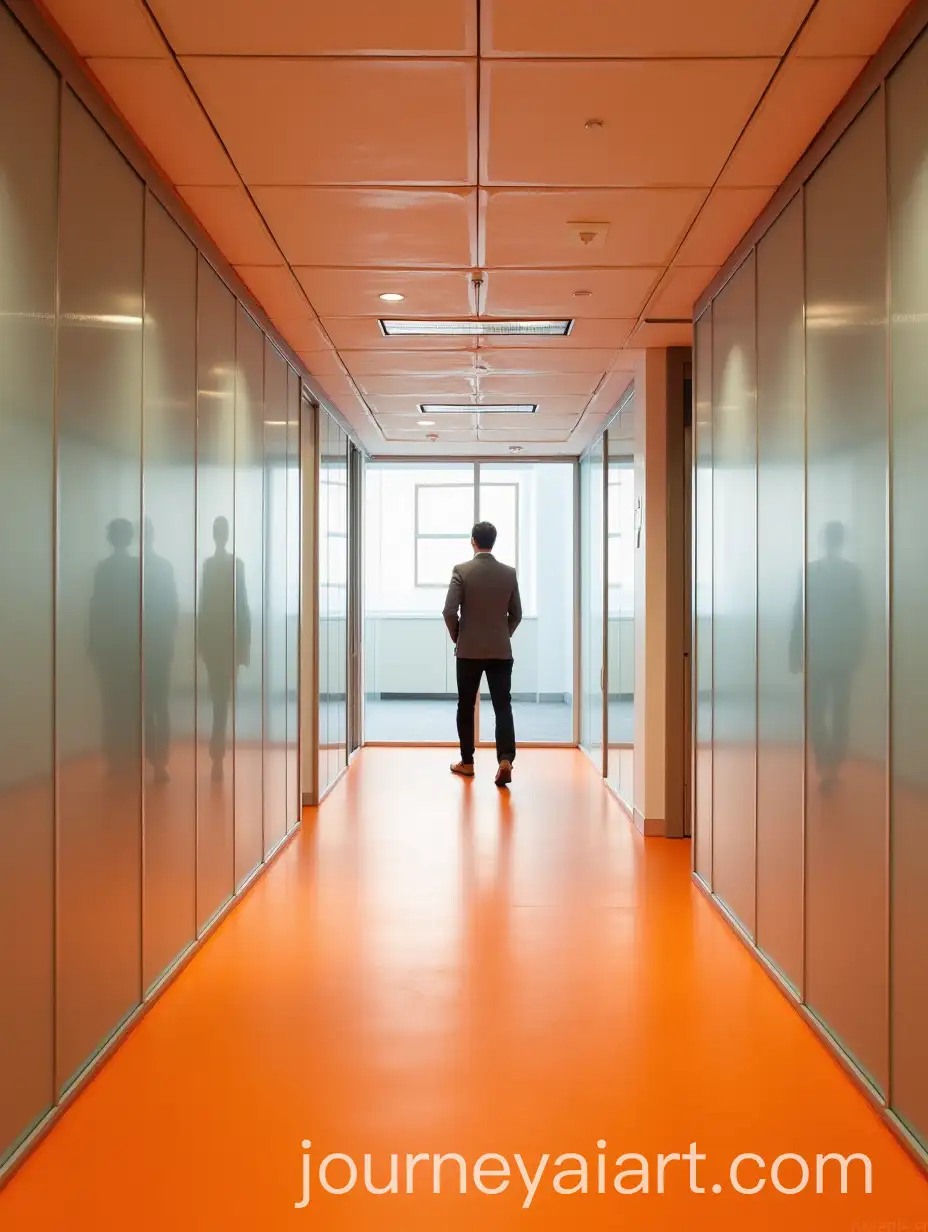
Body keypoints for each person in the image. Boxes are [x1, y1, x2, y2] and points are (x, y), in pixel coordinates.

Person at [442, 521, 522, 787]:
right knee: (503, 706)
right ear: (493, 541)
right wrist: (502, 633)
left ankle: (467, 762)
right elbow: (517, 614)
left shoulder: (461, 570)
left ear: (473, 541)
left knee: (466, 706)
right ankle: (505, 760)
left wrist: (459, 636)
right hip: (500, 650)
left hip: (469, 651)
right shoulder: (509, 573)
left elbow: (449, 611)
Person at [790, 520, 865, 792]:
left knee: (820, 710)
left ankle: (827, 761)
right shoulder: (850, 573)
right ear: (841, 541)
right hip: (837, 653)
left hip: (822, 652)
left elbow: (799, 612)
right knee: (838, 711)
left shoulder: (812, 571)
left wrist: (795, 650)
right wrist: (858, 650)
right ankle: (831, 763)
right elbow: (860, 616)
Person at [198, 516, 250, 781]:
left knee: (219, 699)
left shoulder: (214, 565)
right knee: (221, 701)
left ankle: (216, 752)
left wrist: (202, 643)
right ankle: (217, 752)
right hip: (225, 643)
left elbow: (205, 607)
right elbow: (242, 606)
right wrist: (244, 647)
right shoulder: (232, 565)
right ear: (225, 535)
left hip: (219, 643)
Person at [89, 518, 140, 775]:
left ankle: (115, 759)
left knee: (112, 704)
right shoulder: (134, 568)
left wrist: (94, 645)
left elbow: (96, 609)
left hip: (111, 648)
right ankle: (128, 757)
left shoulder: (104, 569)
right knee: (129, 704)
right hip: (129, 647)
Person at [143, 519, 179, 784]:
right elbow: (173, 607)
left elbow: (172, 607)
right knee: (155, 707)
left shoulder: (148, 568)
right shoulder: (160, 567)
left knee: (153, 707)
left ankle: (157, 762)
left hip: (150, 647)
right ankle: (157, 762)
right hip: (151, 647)